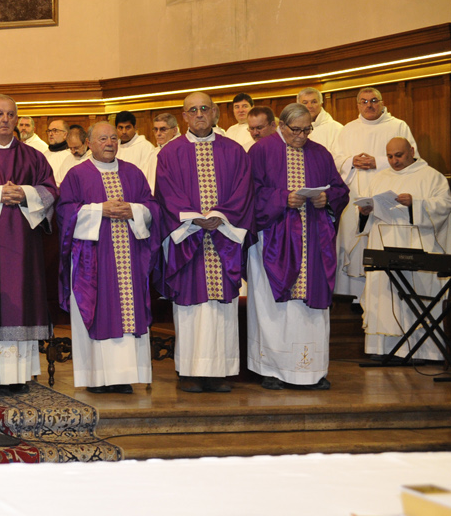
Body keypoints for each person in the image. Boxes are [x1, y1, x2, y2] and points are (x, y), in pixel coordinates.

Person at [155, 92, 253, 393]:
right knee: (191, 306)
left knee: (222, 308)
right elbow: (166, 193)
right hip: (189, 240)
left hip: (223, 239)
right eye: (193, 110)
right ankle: (190, 372)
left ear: (215, 113)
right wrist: (194, 218)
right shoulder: (170, 153)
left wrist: (220, 216)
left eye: (204, 109)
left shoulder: (234, 150)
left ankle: (219, 373)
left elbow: (243, 190)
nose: (199, 114)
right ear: (184, 116)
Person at [246, 104, 348, 390]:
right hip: (273, 240)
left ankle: (311, 371)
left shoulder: (320, 153)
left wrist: (327, 199)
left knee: (308, 308)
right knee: (272, 306)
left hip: (313, 240)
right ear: (281, 126)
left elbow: (340, 189)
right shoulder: (261, 151)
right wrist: (282, 199)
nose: (302, 136)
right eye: (296, 130)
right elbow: (248, 193)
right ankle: (271, 369)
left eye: (307, 130)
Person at [57, 122, 159, 393]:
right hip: (92, 261)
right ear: (89, 143)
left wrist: (134, 210)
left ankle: (124, 377)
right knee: (98, 309)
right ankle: (96, 378)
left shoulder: (133, 172)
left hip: (129, 260)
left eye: (114, 138)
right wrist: (98, 210)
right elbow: (65, 212)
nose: (110, 143)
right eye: (103, 139)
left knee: (128, 312)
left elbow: (151, 206)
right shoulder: (77, 174)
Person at [0, 95, 56, 392]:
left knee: (20, 299)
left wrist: (26, 194)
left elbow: (50, 190)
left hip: (22, 246)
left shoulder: (33, 156)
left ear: (17, 119)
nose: (5, 119)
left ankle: (17, 375)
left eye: (10, 114)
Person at [355, 138, 451, 361]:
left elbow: (445, 206)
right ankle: (384, 349)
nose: (394, 161)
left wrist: (416, 203)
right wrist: (365, 211)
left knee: (418, 294)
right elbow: (365, 213)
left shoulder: (431, 176)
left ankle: (422, 351)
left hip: (418, 246)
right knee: (385, 296)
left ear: (412, 151)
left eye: (399, 155)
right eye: (389, 156)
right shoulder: (380, 177)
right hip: (383, 245)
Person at [334, 87, 419, 298]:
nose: (369, 105)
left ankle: (385, 293)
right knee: (355, 240)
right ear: (357, 105)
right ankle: (356, 296)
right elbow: (335, 158)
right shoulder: (348, 129)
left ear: (381, 103)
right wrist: (351, 161)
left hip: (387, 193)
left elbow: (412, 157)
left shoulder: (398, 126)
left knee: (383, 241)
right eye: (364, 101)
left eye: (373, 100)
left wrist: (378, 162)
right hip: (355, 193)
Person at [114, 110, 157, 189]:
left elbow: (149, 177)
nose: (124, 132)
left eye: (128, 127)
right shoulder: (114, 147)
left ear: (135, 127)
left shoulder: (146, 147)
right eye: (120, 128)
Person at [297, 87, 342, 154]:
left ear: (321, 104)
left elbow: (339, 157)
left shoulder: (336, 129)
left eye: (314, 102)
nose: (310, 106)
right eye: (305, 103)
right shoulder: (293, 129)